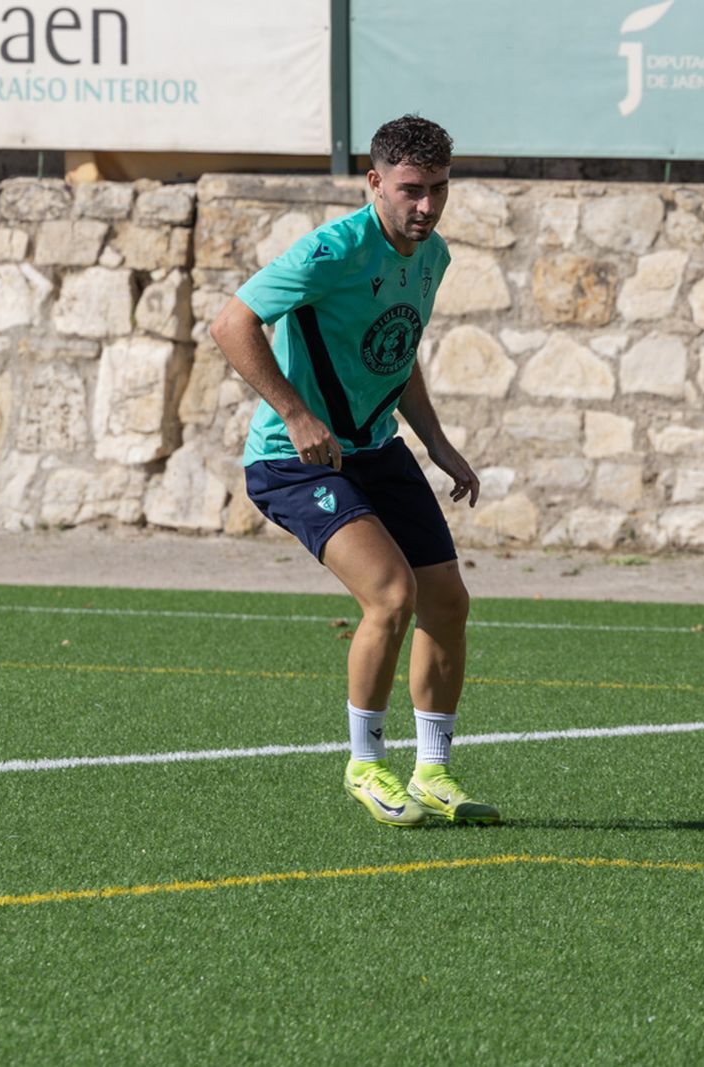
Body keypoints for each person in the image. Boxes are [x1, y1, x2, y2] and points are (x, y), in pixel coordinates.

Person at [210, 115, 499, 828]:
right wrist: (298, 413)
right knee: (391, 593)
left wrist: (436, 441)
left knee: (448, 603)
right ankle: (366, 762)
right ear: (374, 182)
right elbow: (231, 324)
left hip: (375, 447)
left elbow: (395, 354)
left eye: (438, 188)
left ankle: (432, 773)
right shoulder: (331, 251)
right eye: (410, 189)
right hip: (293, 459)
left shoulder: (432, 259)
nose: (426, 206)